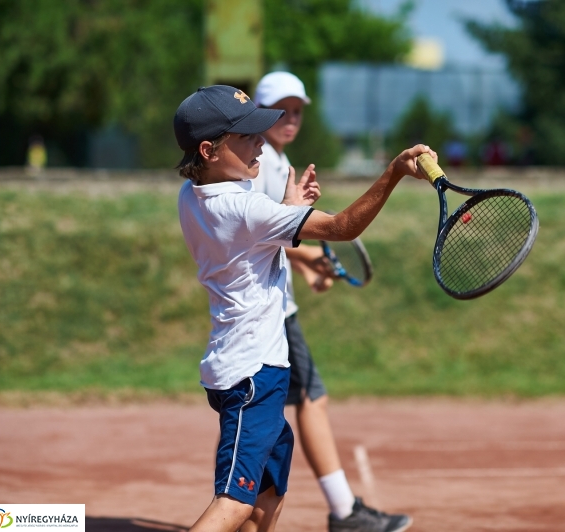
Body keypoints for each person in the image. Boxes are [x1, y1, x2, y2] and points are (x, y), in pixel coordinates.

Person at [173, 84, 433, 532]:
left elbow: (250, 239)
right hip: (252, 375)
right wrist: (392, 172)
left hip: (249, 370)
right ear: (208, 150)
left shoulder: (192, 196)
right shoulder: (247, 208)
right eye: (246, 136)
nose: (260, 142)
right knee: (234, 504)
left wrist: (288, 210)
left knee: (267, 497)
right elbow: (342, 226)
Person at [253, 71, 413, 532]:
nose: (292, 118)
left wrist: (307, 266)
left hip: (271, 307)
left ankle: (324, 509)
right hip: (271, 313)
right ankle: (344, 512)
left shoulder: (271, 161)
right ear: (260, 113)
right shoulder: (263, 162)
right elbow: (262, 232)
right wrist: (310, 259)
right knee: (309, 401)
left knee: (275, 417)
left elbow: (273, 235)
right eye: (281, 109)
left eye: (298, 109)